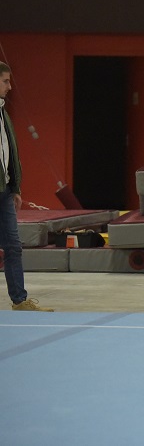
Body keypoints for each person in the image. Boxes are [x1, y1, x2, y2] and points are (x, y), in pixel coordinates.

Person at [0, 63, 52, 312]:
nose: (10, 86)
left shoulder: (4, 115)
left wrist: (16, 187)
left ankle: (19, 300)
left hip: (5, 192)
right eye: (5, 81)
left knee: (13, 245)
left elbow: (10, 153)